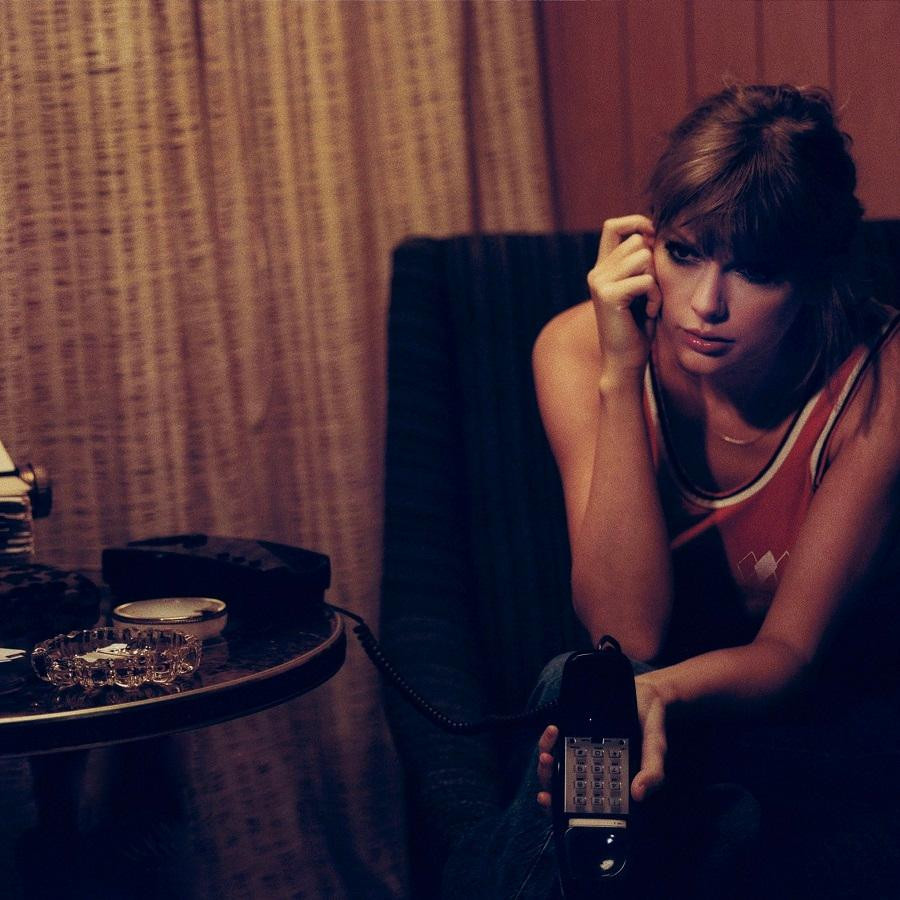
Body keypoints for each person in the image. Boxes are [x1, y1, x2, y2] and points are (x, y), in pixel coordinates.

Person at [512, 83, 898, 898]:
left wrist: (653, 692)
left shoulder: (880, 378)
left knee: (595, 708)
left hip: (804, 726)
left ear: (813, 276)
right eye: (685, 252)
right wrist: (623, 373)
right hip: (641, 721)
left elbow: (790, 655)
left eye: (755, 270)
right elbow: (625, 629)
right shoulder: (578, 350)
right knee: (580, 691)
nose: (704, 305)